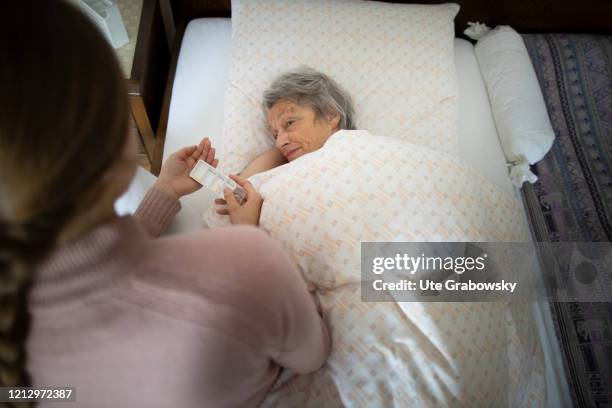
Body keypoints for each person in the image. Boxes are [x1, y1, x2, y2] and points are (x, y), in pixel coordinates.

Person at [0, 2, 330, 407]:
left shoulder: (16, 340)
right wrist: (248, 236)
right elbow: (312, 355)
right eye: (275, 130)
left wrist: (164, 194)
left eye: (289, 124)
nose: (279, 139)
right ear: (120, 135)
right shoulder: (248, 261)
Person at [215, 67, 356, 225]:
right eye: (275, 135)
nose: (279, 143)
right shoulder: (286, 177)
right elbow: (241, 189)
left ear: (330, 115)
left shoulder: (360, 150)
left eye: (290, 123)